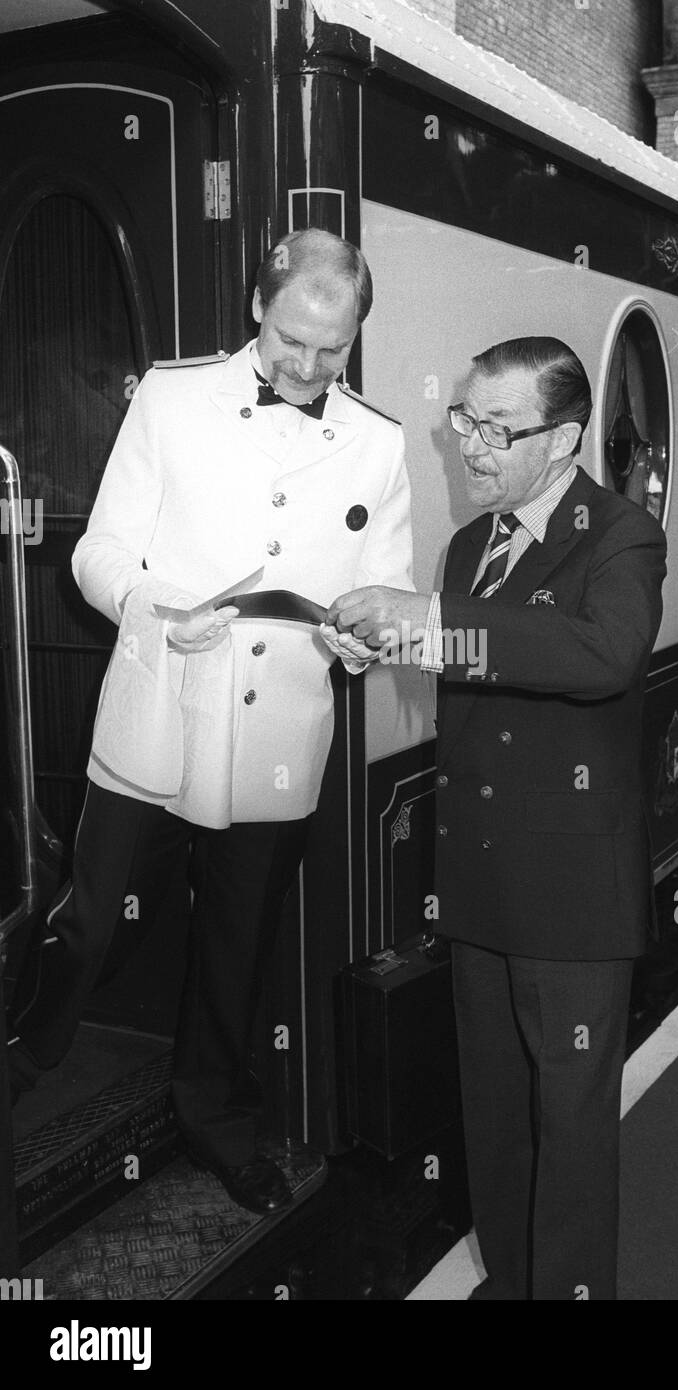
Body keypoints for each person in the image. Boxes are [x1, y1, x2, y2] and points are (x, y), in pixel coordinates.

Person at [6, 228, 411, 1214]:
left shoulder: (380, 441)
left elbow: (384, 589)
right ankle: (20, 1070)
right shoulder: (172, 395)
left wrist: (364, 641)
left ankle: (216, 1123)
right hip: (155, 720)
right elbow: (97, 553)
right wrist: (152, 610)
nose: (308, 367)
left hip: (277, 748)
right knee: (87, 927)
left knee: (237, 949)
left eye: (331, 350)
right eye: (289, 341)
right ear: (255, 307)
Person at [328, 336, 666, 1299]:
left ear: (563, 440)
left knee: (570, 1127)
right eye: (464, 420)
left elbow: (605, 654)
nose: (470, 445)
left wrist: (431, 622)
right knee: (497, 1119)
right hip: (479, 887)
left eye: (495, 428)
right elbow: (479, 678)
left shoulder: (621, 536)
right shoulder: (470, 547)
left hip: (570, 902)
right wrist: (386, 645)